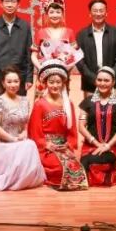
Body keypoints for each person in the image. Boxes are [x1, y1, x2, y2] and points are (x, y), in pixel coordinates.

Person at [28, 59, 87, 191]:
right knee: (59, 168)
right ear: (45, 83)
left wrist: (69, 144)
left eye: (58, 82)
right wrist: (46, 144)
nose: (55, 85)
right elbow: (34, 131)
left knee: (75, 167)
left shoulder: (68, 104)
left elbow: (72, 131)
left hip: (63, 146)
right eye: (51, 82)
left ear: (63, 83)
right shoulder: (40, 104)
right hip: (46, 148)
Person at [0, 67, 46, 191]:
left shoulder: (25, 101)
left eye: (16, 81)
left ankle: (26, 179)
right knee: (29, 145)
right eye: (9, 82)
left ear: (20, 82)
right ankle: (18, 180)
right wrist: (12, 139)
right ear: (3, 83)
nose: (13, 85)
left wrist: (24, 133)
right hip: (2, 143)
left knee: (30, 144)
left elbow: (25, 124)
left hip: (19, 141)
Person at [77, 66, 116, 186]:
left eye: (106, 80)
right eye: (99, 80)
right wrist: (97, 144)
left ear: (113, 82)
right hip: (90, 146)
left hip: (112, 147)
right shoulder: (87, 102)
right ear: (95, 81)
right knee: (85, 161)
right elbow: (81, 127)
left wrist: (107, 146)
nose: (102, 83)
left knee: (93, 161)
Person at [0, 0, 33, 99]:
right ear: (1, 4)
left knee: (19, 109)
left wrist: (29, 78)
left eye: (13, 1)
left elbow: (29, 54)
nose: (10, 5)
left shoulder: (25, 26)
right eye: (6, 1)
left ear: (18, 4)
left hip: (19, 78)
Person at [75, 0, 116, 98]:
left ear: (106, 13)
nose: (98, 13)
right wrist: (94, 79)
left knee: (111, 108)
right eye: (95, 10)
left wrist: (108, 76)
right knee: (91, 108)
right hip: (90, 84)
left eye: (101, 10)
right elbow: (79, 61)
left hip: (111, 83)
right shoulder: (81, 34)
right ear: (90, 13)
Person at [30, 0, 83, 74]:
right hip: (45, 72)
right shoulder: (41, 32)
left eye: (58, 12)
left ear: (62, 14)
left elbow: (74, 55)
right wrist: (40, 68)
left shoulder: (69, 32)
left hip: (63, 73)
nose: (55, 15)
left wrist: (66, 69)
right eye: (51, 12)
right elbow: (34, 55)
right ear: (47, 14)